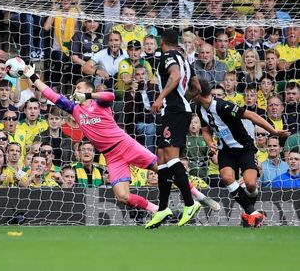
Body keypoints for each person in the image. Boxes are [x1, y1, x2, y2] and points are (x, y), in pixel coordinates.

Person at [23, 60, 218, 226]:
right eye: (76, 89)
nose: (76, 91)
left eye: (79, 88)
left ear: (89, 91)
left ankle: (199, 196)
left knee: (165, 169)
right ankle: (158, 210)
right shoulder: (74, 109)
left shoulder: (98, 102)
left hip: (125, 144)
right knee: (122, 196)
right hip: (111, 156)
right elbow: (51, 95)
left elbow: (110, 95)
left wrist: (89, 96)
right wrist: (33, 77)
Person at [195, 79, 290, 227]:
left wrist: (273, 131)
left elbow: (251, 115)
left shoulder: (223, 105)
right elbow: (206, 130)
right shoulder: (199, 109)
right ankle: (252, 212)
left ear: (198, 93)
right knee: (227, 178)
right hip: (226, 150)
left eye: (190, 91)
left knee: (251, 184)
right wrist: (209, 142)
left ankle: (248, 214)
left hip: (244, 147)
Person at [147, 29, 201, 229]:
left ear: (162, 42)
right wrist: (184, 101)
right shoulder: (185, 58)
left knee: (171, 157)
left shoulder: (169, 56)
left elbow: (175, 76)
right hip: (178, 111)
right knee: (161, 157)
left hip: (174, 111)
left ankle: (189, 203)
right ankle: (162, 209)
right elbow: (196, 87)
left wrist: (162, 98)